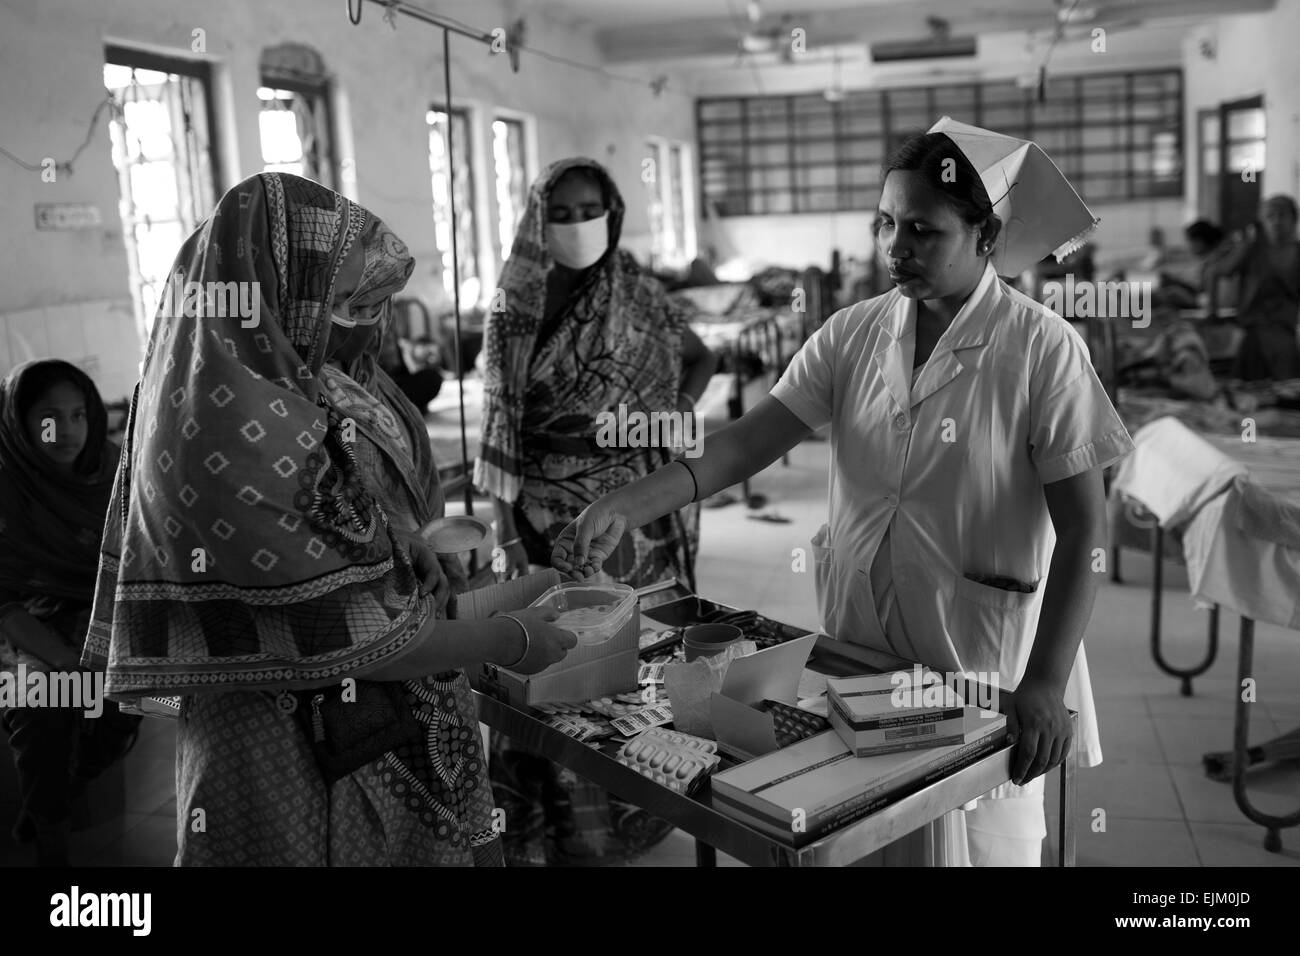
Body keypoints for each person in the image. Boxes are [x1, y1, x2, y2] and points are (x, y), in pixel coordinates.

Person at [555, 119, 1133, 867]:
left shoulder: (1042, 348)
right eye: (886, 224)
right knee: (874, 833)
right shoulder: (853, 334)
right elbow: (745, 442)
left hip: (987, 657)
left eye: (923, 230)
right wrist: (627, 503)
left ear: (985, 235)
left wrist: (1048, 679)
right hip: (863, 649)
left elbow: (1086, 532)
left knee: (982, 845)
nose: (895, 249)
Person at [81, 172, 576, 866]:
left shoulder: (231, 383)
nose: (361, 320)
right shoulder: (241, 429)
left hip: (325, 732)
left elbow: (330, 535)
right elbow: (356, 639)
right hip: (297, 752)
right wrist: (510, 639)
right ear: (282, 288)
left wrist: (395, 541)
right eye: (342, 298)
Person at [474, 157, 717, 865]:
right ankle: (556, 831)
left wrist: (663, 423)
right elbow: (498, 432)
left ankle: (639, 810)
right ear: (536, 219)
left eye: (591, 210)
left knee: (636, 670)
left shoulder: (637, 295)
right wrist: (506, 535)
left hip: (634, 513)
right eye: (563, 212)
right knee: (554, 676)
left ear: (612, 213)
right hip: (546, 516)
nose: (579, 225)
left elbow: (696, 358)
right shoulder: (513, 310)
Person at [0, 359, 142, 866]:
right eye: (48, 417)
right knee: (45, 707)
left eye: (78, 414)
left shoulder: (112, 475)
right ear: (18, 420)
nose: (66, 431)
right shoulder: (8, 486)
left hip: (103, 619)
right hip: (23, 630)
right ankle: (52, 846)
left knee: (126, 701)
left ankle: (48, 804)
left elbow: (138, 565)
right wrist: (64, 661)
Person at [1204, 195, 1300, 380]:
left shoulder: (1297, 253)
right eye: (1270, 216)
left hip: (1283, 329)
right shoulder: (1252, 250)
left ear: (1294, 220)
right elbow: (1217, 271)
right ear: (1262, 221)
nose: (1276, 222)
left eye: (1282, 215)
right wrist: (1212, 310)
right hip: (1252, 331)